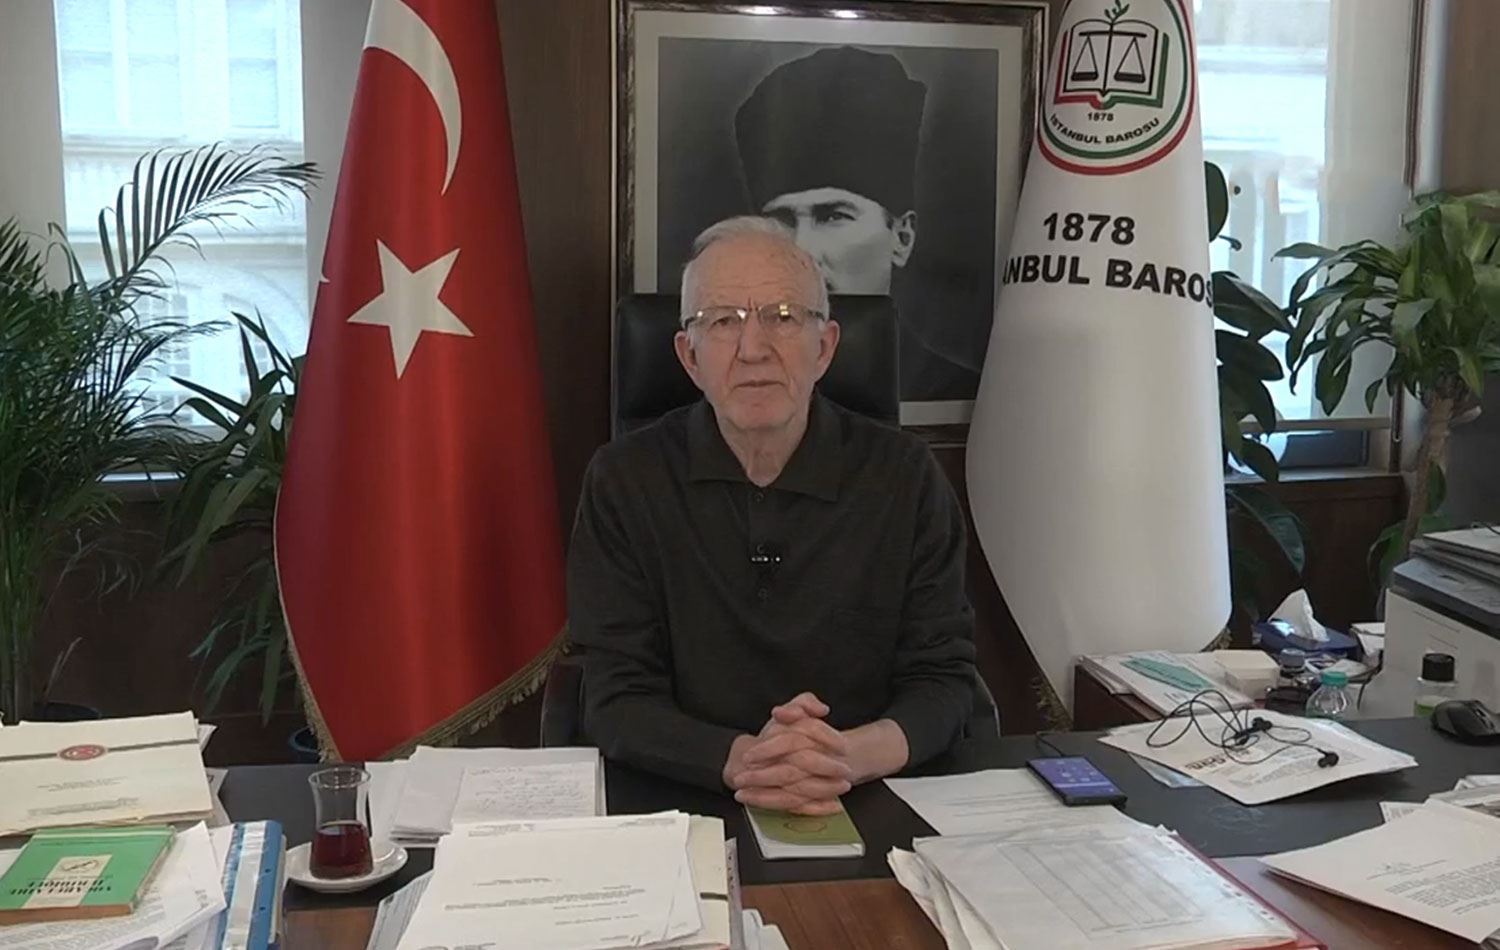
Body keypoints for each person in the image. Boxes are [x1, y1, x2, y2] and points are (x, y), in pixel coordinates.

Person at [568, 216, 977, 816]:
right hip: (682, 795)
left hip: (862, 792)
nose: (753, 348)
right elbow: (614, 695)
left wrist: (845, 757)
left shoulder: (906, 477)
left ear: (825, 347)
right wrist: (743, 760)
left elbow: (944, 679)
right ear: (688, 356)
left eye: (783, 317)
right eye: (722, 321)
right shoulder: (624, 481)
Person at [734, 45, 979, 402]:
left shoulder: (954, 391)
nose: (802, 250)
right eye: (781, 222)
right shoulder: (731, 386)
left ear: (902, 238)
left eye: (833, 216)